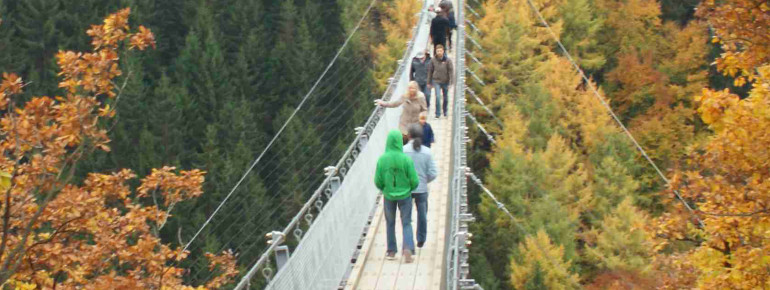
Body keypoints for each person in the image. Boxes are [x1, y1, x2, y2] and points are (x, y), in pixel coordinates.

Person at [375, 130, 420, 262]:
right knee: (406, 222)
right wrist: (409, 189)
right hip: (405, 195)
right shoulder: (406, 159)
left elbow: (377, 180)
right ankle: (407, 248)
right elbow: (414, 181)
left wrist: (384, 188)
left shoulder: (382, 160)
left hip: (389, 195)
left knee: (390, 223)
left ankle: (391, 251)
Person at [404, 123, 438, 248]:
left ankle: (408, 242)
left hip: (407, 189)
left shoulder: (403, 151)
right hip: (422, 189)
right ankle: (421, 239)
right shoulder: (427, 152)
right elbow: (433, 173)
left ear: (409, 136)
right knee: (422, 214)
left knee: (406, 216)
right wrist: (424, 180)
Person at [427, 45, 454, 118]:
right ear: (436, 51)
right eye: (437, 51)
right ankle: (438, 113)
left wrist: (451, 82)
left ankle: (445, 111)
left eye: (440, 51)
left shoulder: (448, 60)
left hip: (445, 81)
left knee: (445, 97)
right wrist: (429, 82)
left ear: (443, 51)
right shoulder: (433, 60)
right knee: (438, 97)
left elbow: (451, 71)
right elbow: (430, 71)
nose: (439, 52)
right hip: (436, 81)